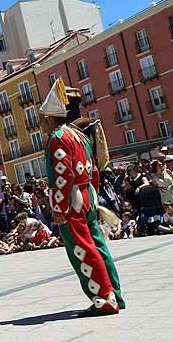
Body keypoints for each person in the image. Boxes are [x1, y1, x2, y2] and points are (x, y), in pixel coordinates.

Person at [41, 79, 124, 315]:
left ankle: (103, 299)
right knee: (98, 245)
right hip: (87, 195)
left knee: (83, 250)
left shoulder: (59, 137)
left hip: (72, 201)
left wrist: (59, 207)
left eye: (43, 118)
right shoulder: (80, 136)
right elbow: (95, 170)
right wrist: (93, 197)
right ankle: (115, 293)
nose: (42, 123)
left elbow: (62, 175)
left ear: (50, 117)